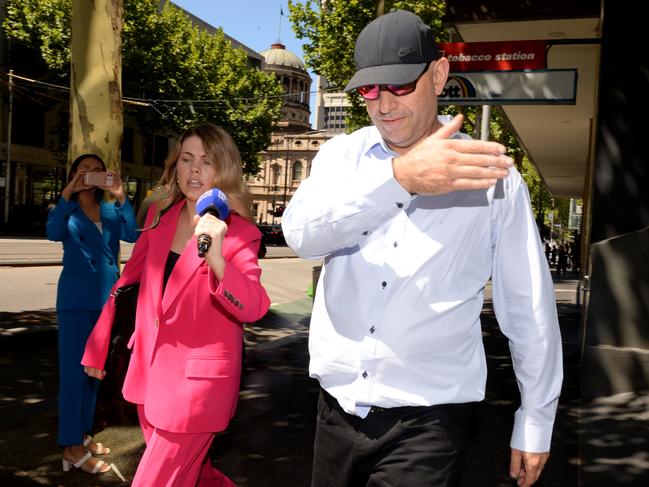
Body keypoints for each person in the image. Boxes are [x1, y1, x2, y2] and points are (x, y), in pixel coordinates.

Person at [282, 10, 563, 487]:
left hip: (430, 422)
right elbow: (303, 236)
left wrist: (536, 418)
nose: (384, 104)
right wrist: (399, 181)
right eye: (369, 90)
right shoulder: (340, 156)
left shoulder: (495, 179)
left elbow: (526, 305)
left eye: (399, 85)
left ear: (438, 74)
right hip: (337, 409)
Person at [82, 123, 271, 486]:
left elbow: (254, 307)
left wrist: (218, 259)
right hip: (148, 375)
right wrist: (97, 346)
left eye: (206, 160)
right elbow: (125, 284)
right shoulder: (159, 220)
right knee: (195, 477)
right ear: (176, 166)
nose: (194, 169)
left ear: (225, 169)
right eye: (187, 159)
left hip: (197, 389)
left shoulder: (240, 233)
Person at [46, 153, 138, 474]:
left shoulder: (111, 211)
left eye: (95, 171)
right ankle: (70, 449)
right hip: (74, 303)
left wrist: (122, 195)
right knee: (73, 377)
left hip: (105, 303)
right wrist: (67, 192)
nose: (89, 175)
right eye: (82, 170)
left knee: (93, 376)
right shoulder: (66, 210)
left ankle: (81, 435)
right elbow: (53, 233)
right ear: (72, 175)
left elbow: (133, 235)